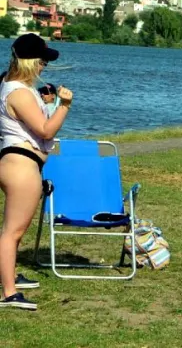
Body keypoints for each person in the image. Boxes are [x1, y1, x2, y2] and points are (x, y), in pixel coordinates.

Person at [1, 34, 73, 311]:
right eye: (42, 61)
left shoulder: (12, 86)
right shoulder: (19, 92)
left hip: (16, 161)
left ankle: (8, 277)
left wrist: (50, 104)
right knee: (12, 232)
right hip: (21, 165)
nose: (44, 66)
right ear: (30, 62)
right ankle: (9, 293)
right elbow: (45, 130)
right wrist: (64, 106)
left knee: (14, 230)